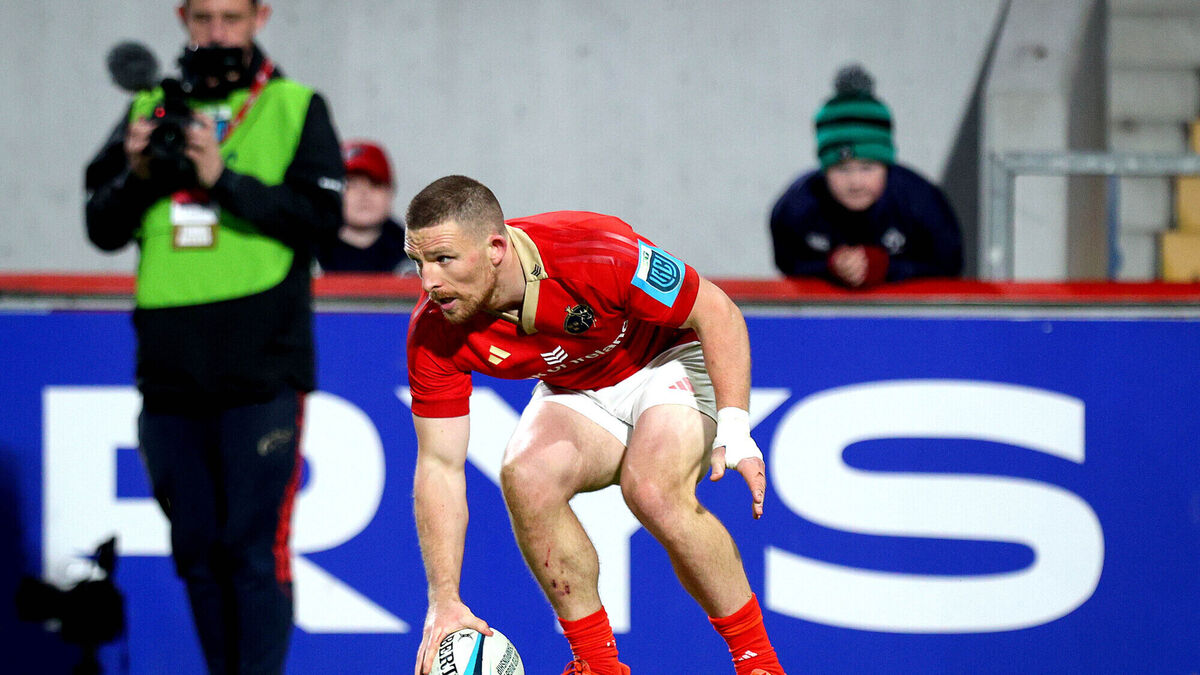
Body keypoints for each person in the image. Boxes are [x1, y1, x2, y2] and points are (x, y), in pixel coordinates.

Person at [404, 176, 787, 675]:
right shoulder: (433, 330)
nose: (428, 282)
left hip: (667, 359)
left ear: (495, 249)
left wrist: (736, 429)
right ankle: (598, 665)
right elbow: (439, 465)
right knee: (526, 477)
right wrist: (444, 599)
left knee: (651, 489)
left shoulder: (592, 249)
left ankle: (759, 662)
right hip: (577, 384)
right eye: (418, 262)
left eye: (443, 259)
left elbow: (715, 311)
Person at [83, 1, 344, 672]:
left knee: (252, 548)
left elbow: (322, 217)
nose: (217, 31)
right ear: (182, 18)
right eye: (203, 17)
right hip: (170, 369)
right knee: (196, 549)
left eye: (231, 16)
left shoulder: (294, 105)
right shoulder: (150, 107)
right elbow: (101, 224)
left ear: (261, 16)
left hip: (263, 366)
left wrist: (220, 179)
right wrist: (138, 175)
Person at [770, 64, 963, 288]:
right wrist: (830, 266)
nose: (855, 183)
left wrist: (886, 267)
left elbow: (950, 267)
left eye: (867, 167)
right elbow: (788, 265)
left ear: (886, 165)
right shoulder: (795, 208)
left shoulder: (923, 202)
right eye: (842, 169)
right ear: (824, 169)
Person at [314, 139, 416, 274]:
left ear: (390, 192)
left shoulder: (419, 255)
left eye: (375, 183)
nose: (364, 194)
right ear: (333, 193)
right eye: (351, 185)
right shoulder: (307, 253)